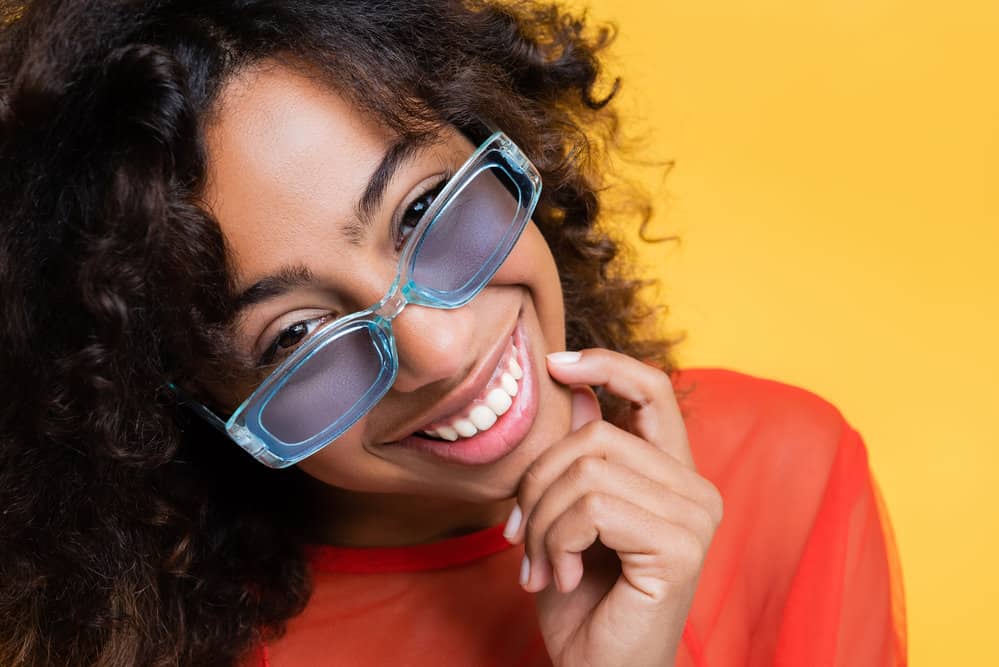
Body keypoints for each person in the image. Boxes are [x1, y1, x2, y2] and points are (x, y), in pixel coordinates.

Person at [0, 0, 906, 665]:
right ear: (196, 408)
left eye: (424, 209)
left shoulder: (785, 470)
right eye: (294, 337)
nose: (434, 352)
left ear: (500, 136)